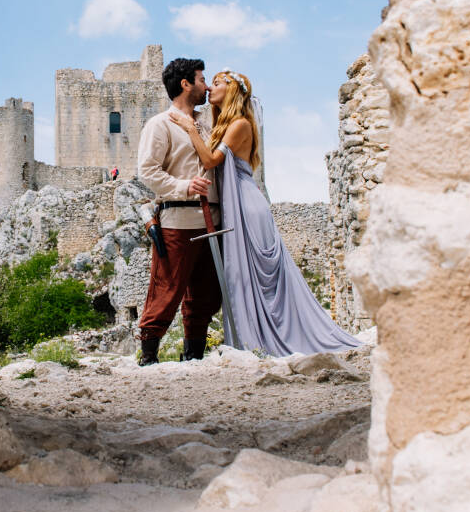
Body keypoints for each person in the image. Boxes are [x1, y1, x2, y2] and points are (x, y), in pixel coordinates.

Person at [169, 70, 361, 357]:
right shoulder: (226, 125)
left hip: (247, 206)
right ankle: (256, 337)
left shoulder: (240, 125)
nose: (210, 87)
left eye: (218, 83)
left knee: (260, 276)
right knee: (242, 275)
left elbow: (209, 160)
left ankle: (271, 336)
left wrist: (189, 128)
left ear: (232, 91)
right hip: (236, 207)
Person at [136, 57, 221, 365]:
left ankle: (194, 355)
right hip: (178, 220)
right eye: (201, 79)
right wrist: (185, 186)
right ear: (185, 84)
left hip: (215, 221)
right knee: (166, 290)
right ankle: (148, 356)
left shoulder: (211, 121)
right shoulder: (160, 124)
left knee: (208, 294)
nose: (207, 85)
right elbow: (148, 170)